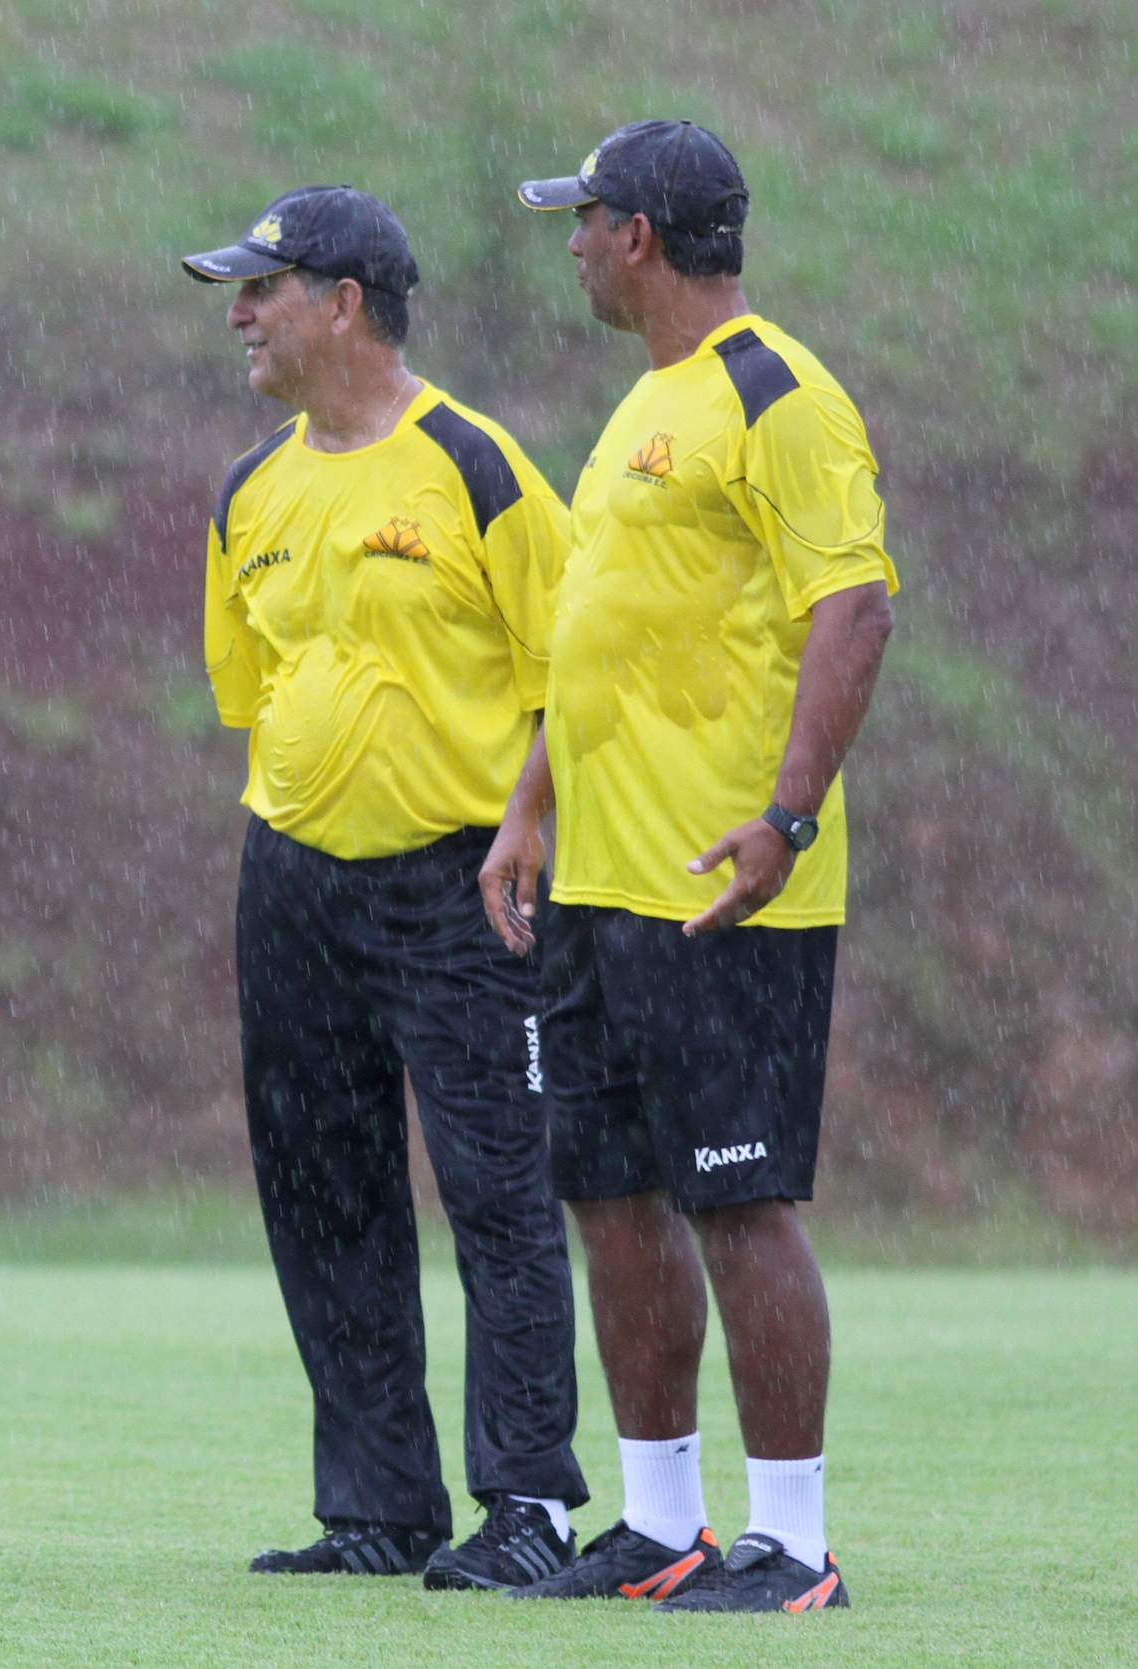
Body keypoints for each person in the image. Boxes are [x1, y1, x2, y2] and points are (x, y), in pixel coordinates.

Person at [485, 120, 897, 1612]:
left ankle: (791, 1543)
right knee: (610, 1193)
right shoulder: (643, 404)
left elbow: (852, 610)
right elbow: (600, 631)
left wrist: (784, 821)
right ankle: (661, 1520)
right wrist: (531, 803)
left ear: (640, 234)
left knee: (737, 1197)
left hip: (722, 878)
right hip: (599, 876)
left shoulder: (775, 392)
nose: (573, 244)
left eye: (582, 220)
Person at [183, 187, 589, 1590]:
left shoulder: (476, 466)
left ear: (342, 302)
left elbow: (571, 679)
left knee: (498, 1193)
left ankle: (528, 1505)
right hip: (291, 881)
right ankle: (376, 1505)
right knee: (321, 1191)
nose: (236, 312)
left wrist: (525, 832)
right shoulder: (250, 490)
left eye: (260, 288)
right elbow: (257, 693)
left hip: (459, 886)